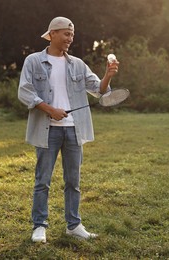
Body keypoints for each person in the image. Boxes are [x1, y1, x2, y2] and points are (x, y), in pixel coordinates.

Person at [18, 16, 119, 243]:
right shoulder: (33, 61)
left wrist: (109, 75)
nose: (70, 38)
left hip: (74, 129)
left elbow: (100, 90)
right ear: (52, 34)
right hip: (48, 130)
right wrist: (50, 110)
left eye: (72, 35)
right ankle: (39, 226)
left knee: (73, 181)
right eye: (66, 34)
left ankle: (73, 225)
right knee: (42, 181)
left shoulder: (77, 64)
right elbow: (24, 92)